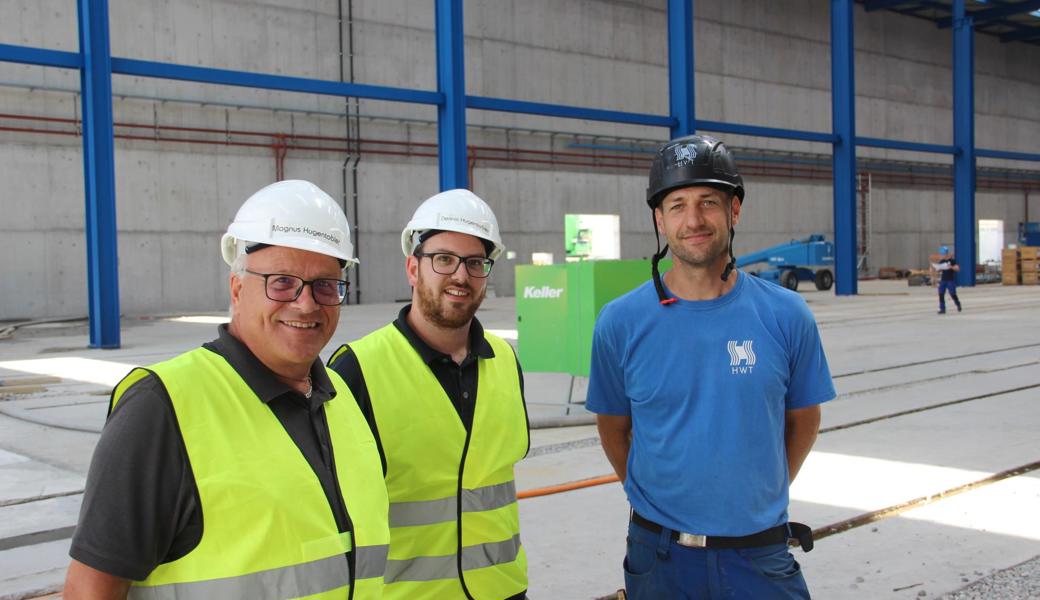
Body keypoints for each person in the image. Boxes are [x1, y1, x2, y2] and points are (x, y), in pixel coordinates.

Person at [64, 180, 389, 599]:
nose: (306, 304)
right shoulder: (163, 407)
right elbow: (89, 590)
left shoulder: (341, 398)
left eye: (326, 285)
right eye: (282, 281)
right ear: (237, 289)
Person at [587, 135, 836, 599]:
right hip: (659, 558)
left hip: (760, 555)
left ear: (734, 210)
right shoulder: (620, 323)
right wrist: (656, 499)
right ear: (659, 220)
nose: (694, 219)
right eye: (677, 205)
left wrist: (756, 494)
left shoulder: (786, 315)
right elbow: (614, 428)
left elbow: (804, 419)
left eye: (708, 202)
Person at [328, 189, 530, 600]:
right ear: (412, 268)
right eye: (443, 259)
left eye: (475, 263)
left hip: (503, 591)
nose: (460, 276)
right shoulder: (356, 370)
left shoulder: (505, 361)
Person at [935, 245, 962, 314]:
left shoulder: (952, 261)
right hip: (943, 280)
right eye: (941, 254)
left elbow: (957, 269)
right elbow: (939, 270)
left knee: (952, 293)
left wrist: (951, 267)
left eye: (943, 254)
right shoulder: (941, 261)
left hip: (950, 280)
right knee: (941, 294)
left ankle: (958, 303)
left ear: (946, 254)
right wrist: (938, 268)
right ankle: (942, 308)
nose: (942, 255)